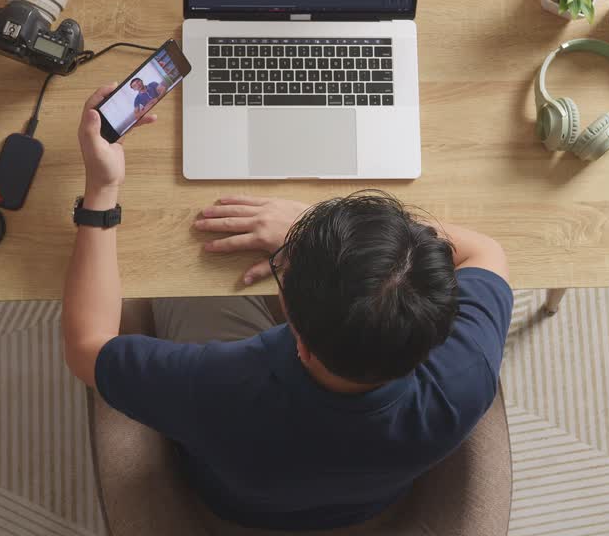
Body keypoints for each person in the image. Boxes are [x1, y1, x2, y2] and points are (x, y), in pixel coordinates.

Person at [63, 84, 513, 532]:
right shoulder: (465, 374)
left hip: (234, 503)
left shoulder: (213, 387)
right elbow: (485, 251)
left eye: (285, 266)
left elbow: (85, 347)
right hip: (364, 502)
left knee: (191, 286)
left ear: (301, 342)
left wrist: (102, 188)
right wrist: (338, 236)